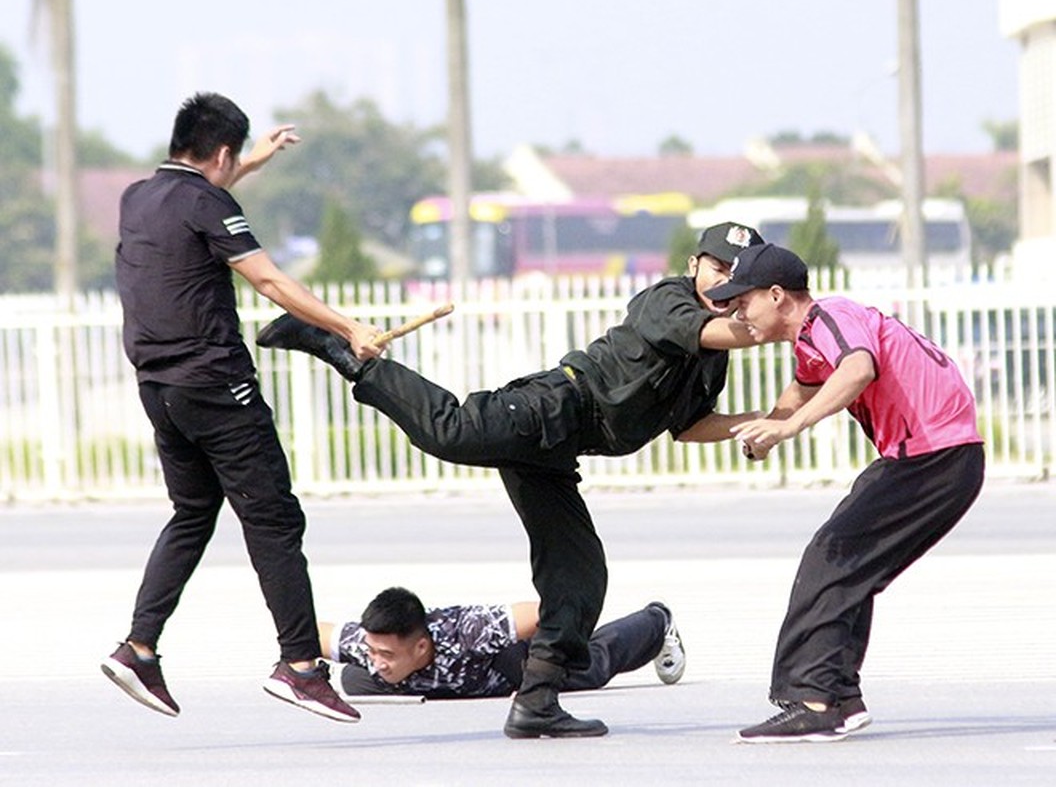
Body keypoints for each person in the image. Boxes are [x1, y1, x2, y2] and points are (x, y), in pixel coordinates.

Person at [256, 221, 765, 738]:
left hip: (559, 451)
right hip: (552, 407)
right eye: (718, 267)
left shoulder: (713, 359)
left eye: (737, 274)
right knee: (449, 432)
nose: (724, 281)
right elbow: (711, 331)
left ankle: (537, 703)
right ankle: (335, 348)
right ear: (694, 265)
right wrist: (782, 321)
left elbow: (689, 425)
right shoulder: (669, 301)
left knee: (580, 578)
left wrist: (761, 420)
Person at [101, 92, 384, 723]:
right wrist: (349, 328)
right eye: (235, 161)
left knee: (193, 512)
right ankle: (302, 666)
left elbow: (195, 192)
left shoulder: (138, 197)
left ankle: (138, 647)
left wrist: (253, 161)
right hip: (216, 387)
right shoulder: (210, 201)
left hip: (161, 390)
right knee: (275, 522)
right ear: (221, 153)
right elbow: (271, 282)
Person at [702, 243, 985, 744]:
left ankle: (816, 700)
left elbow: (858, 370)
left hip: (933, 457)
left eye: (742, 301)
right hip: (931, 458)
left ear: (776, 295)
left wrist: (790, 431)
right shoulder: (811, 342)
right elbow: (803, 390)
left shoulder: (830, 315)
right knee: (846, 565)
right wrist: (770, 426)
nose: (737, 313)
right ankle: (839, 700)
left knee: (831, 556)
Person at [319, 586, 686, 700]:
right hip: (435, 682)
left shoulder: (468, 630)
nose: (376, 659)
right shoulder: (367, 647)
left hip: (504, 667)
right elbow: (311, 632)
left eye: (386, 653)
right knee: (355, 679)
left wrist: (565, 638)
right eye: (372, 651)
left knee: (588, 668)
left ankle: (656, 622)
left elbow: (545, 610)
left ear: (420, 646)